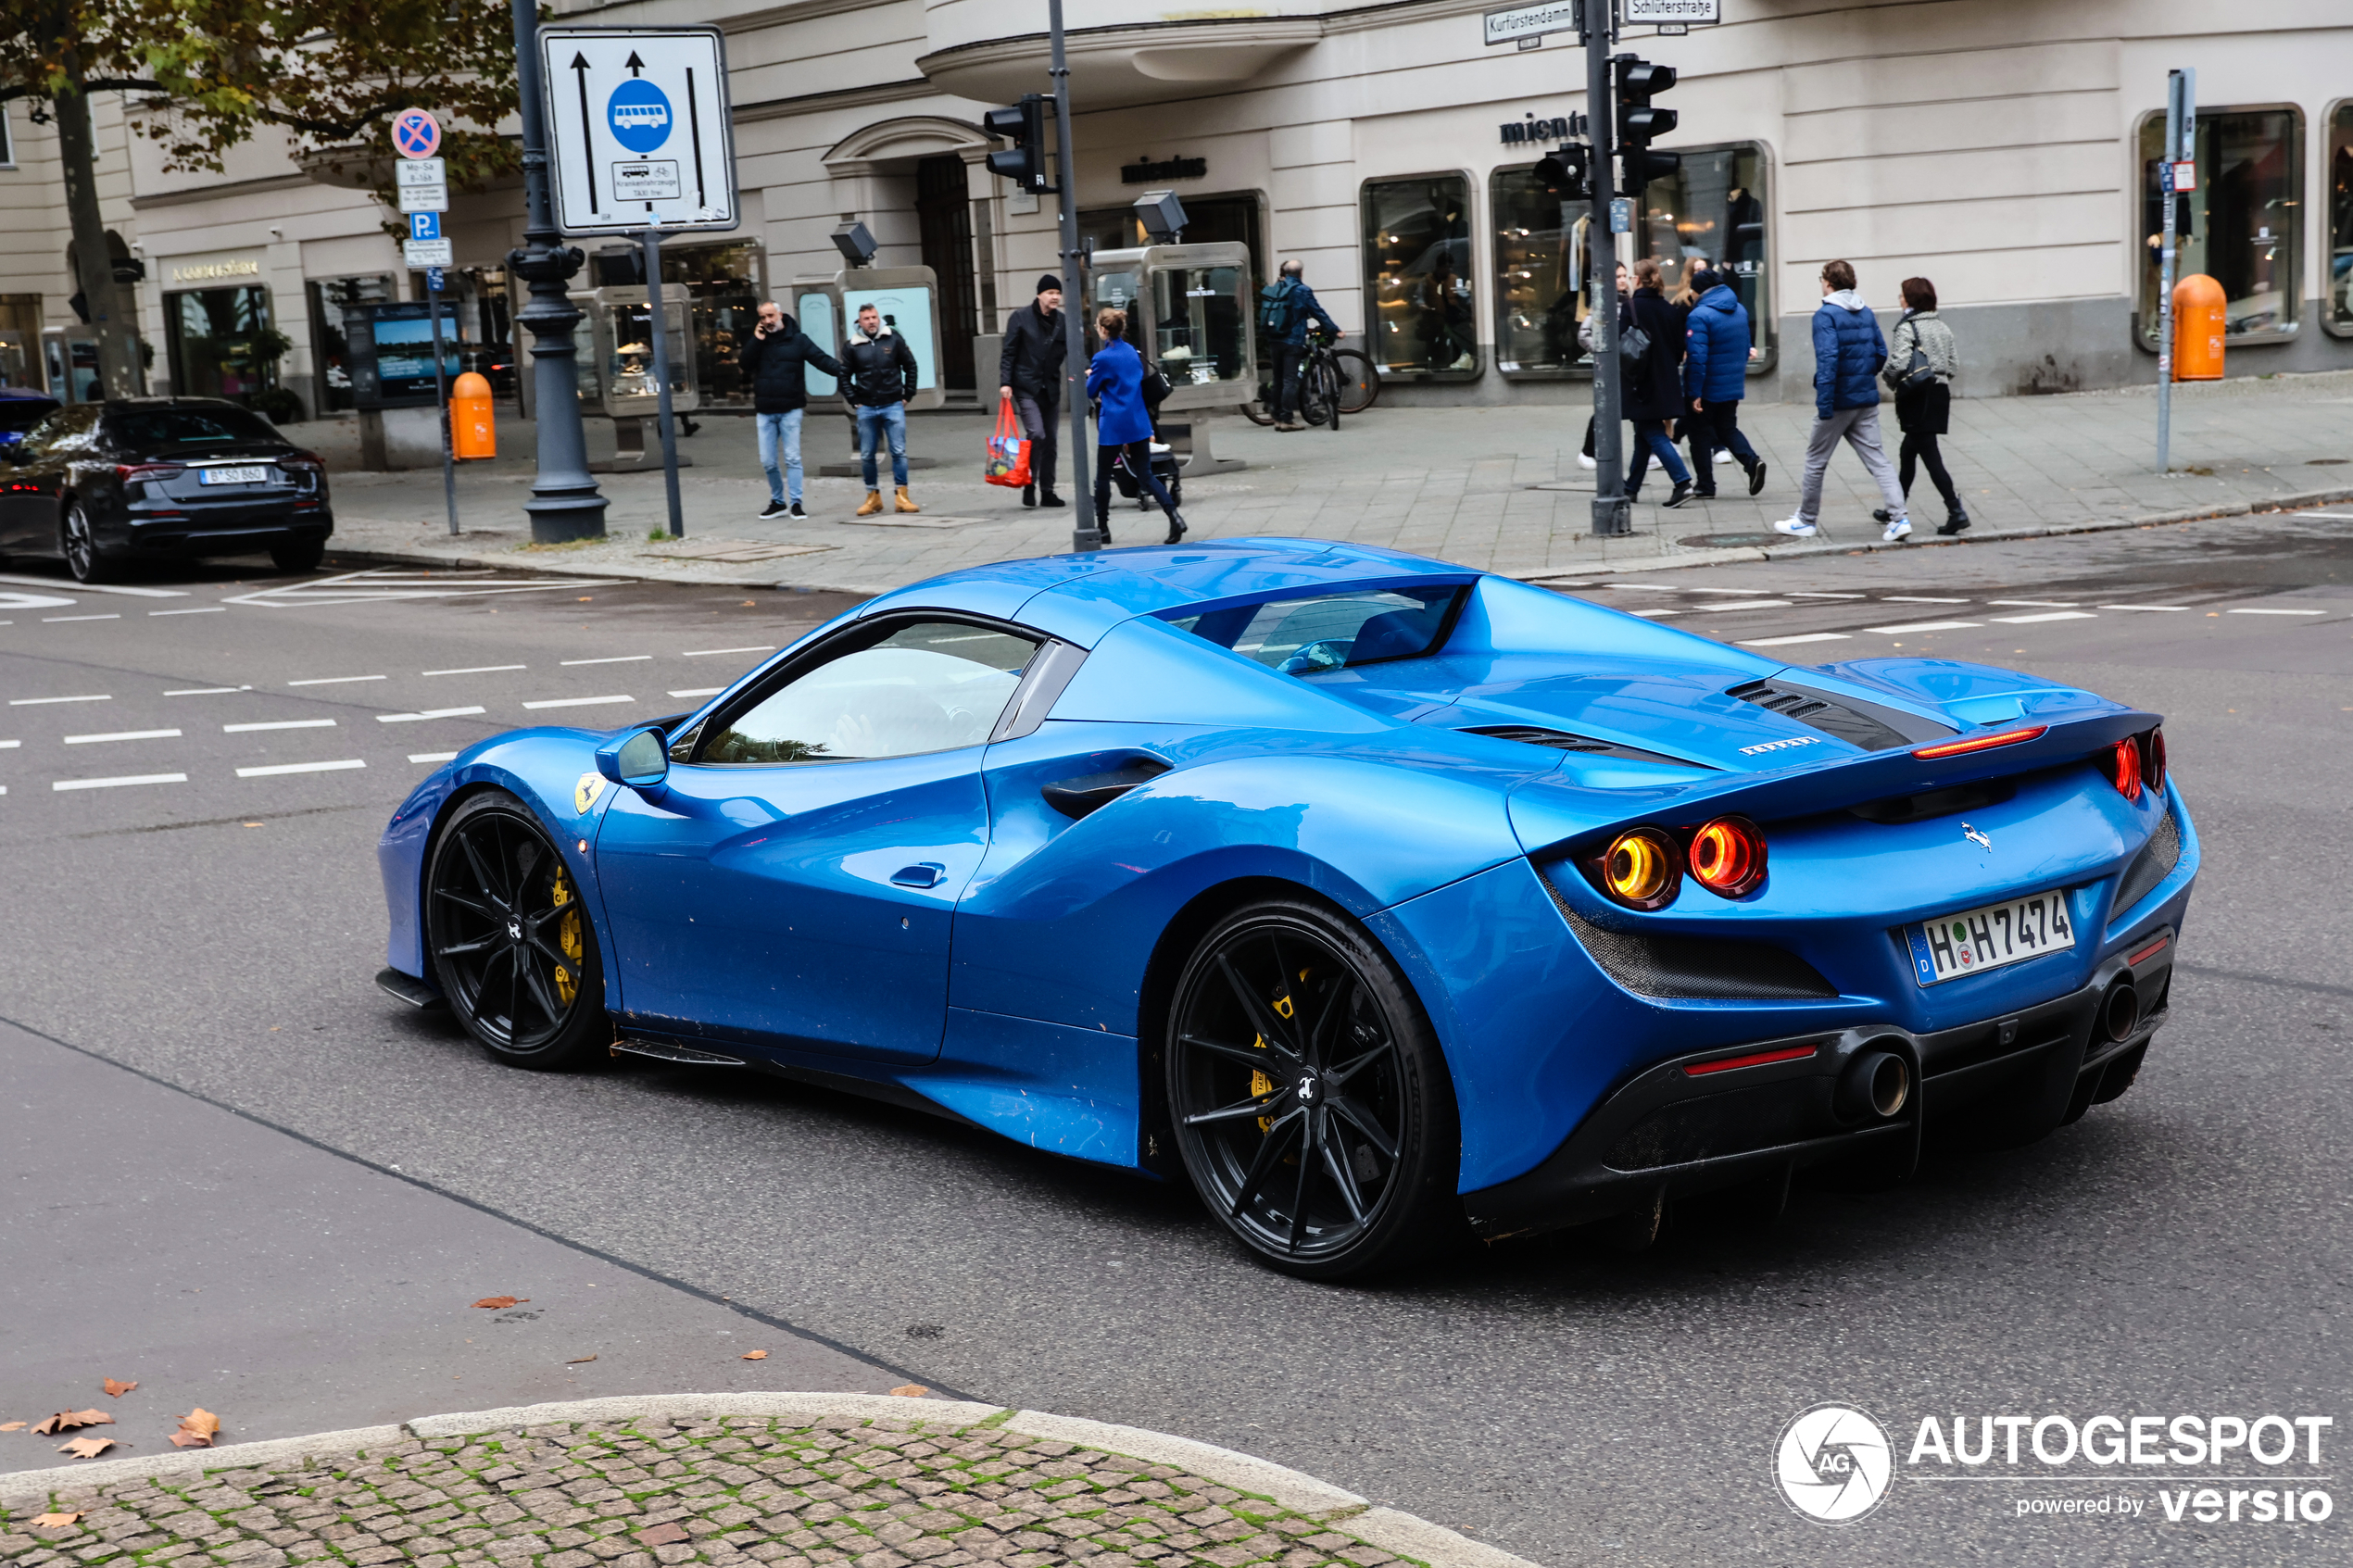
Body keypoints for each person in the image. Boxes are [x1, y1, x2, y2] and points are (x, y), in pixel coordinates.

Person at [1775, 259, 1907, 542]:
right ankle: (1899, 519)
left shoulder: (1826, 315)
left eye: (1822, 279)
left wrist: (1824, 403)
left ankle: (1806, 520)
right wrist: (1862, 376)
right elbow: (1881, 353)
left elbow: (1828, 360)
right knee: (1879, 460)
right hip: (1865, 398)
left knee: (1815, 460)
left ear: (1828, 282)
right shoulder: (1866, 311)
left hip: (1838, 401)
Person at [1875, 276, 1968, 534]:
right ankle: (1895, 508)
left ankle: (1956, 510)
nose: (1900, 298)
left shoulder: (1908, 327)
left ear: (1911, 300)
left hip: (1916, 397)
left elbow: (1897, 363)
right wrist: (1938, 379)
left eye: (1902, 294)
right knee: (1909, 452)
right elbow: (1954, 365)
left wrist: (1890, 381)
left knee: (1931, 457)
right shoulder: (1942, 327)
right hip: (1938, 394)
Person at [1088, 307, 1186, 545]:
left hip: (1114, 423)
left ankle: (1102, 527)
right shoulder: (1132, 352)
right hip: (1137, 419)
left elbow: (1091, 390)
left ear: (1103, 329)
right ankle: (1174, 516)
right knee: (1146, 474)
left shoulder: (1102, 358)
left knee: (1102, 476)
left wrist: (1091, 374)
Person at [738, 300, 842, 520]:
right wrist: (756, 340)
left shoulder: (798, 340)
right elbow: (745, 364)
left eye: (771, 316)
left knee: (793, 458)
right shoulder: (760, 342)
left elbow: (821, 360)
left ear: (780, 315)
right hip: (765, 410)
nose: (767, 321)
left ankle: (796, 503)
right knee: (767, 460)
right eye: (763, 317)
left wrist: (846, 371)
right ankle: (778, 501)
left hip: (790, 408)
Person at [1680, 264, 1767, 498]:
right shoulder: (1739, 310)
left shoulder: (1699, 316)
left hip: (1707, 387)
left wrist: (1694, 392)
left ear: (1700, 291)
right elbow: (1744, 348)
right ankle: (1752, 462)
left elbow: (1697, 359)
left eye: (1693, 291)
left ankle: (1706, 485)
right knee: (1727, 428)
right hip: (1732, 384)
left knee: (1698, 435)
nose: (1692, 295)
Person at [1622, 258, 1695, 508]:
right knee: (1643, 434)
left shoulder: (1631, 308)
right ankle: (1630, 488)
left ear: (1637, 279)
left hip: (1640, 382)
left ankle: (1682, 482)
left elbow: (1622, 347)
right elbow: (1679, 348)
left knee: (1652, 431)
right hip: (1665, 380)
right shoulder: (1668, 308)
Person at [840, 302, 920, 516]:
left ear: (879, 318)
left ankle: (902, 496)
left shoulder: (893, 339)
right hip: (866, 407)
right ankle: (872, 497)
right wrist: (854, 400)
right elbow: (843, 376)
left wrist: (908, 394)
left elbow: (910, 365)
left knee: (899, 452)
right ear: (859, 322)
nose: (871, 321)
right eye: (866, 318)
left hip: (893, 404)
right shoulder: (852, 346)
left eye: (874, 317)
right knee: (867, 455)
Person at [998, 274, 1067, 508]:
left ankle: (1047, 491)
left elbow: (1074, 350)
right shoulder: (1020, 318)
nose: (1055, 297)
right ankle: (1029, 483)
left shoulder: (1062, 322)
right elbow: (1009, 352)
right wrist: (1005, 382)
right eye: (1050, 293)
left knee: (1051, 442)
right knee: (1037, 434)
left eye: (1058, 293)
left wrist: (1087, 368)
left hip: (1051, 389)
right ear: (1039, 295)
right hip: (1026, 386)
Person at [1261, 258, 1340, 433]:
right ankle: (1287, 420)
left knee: (1278, 379)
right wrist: (1334, 331)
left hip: (1274, 339)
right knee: (1289, 380)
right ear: (1301, 273)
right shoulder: (1302, 290)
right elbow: (1318, 313)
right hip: (1293, 339)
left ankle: (1277, 418)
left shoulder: (1276, 288)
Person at [1577, 261, 1631, 470]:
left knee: (1624, 408)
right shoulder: (1602, 303)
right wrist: (1605, 353)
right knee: (1606, 408)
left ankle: (1651, 452)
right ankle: (1587, 451)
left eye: (1624, 276)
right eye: (1618, 277)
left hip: (1629, 365)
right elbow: (1583, 334)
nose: (1622, 280)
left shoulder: (1629, 300)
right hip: (1612, 367)